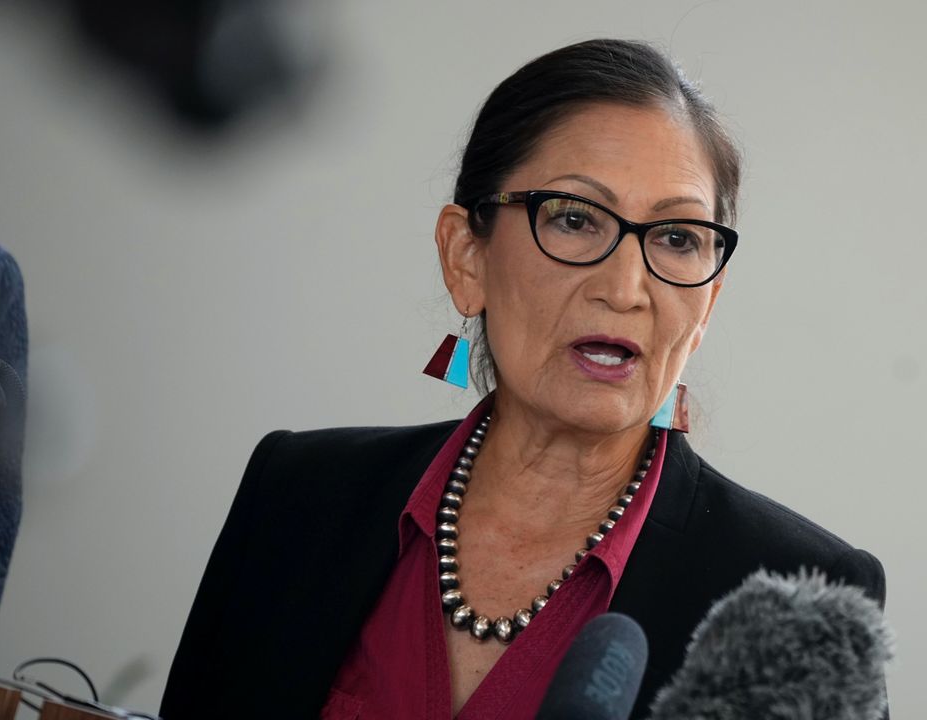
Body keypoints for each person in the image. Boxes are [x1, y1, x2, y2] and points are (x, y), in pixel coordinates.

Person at [160, 38, 886, 719]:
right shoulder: (296, 494)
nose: (626, 286)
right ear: (465, 258)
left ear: (707, 306)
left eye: (676, 238)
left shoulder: (801, 596)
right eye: (574, 219)